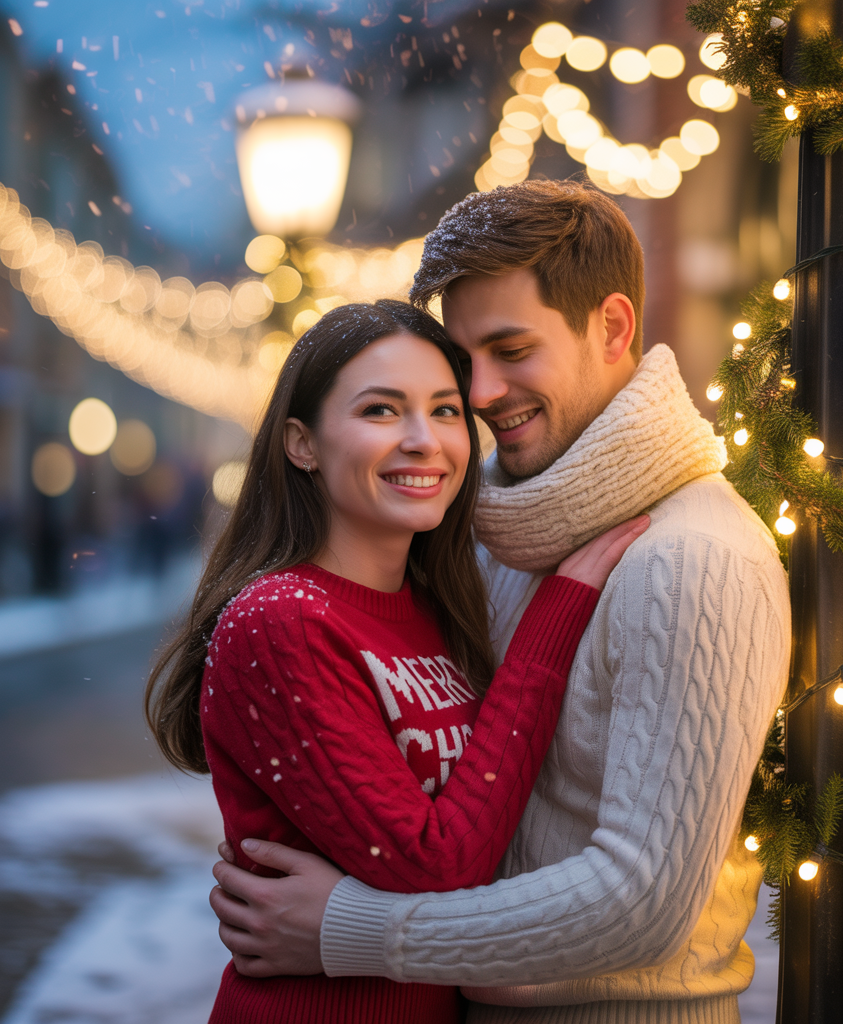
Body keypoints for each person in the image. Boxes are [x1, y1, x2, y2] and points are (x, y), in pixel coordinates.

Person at [209, 181, 792, 1024]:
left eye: (512, 350)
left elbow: (643, 900)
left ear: (615, 327)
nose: (480, 393)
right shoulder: (489, 533)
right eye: (463, 360)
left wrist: (351, 930)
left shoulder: (692, 558)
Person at [145, 298, 647, 1024]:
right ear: (301, 443)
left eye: (446, 411)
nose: (425, 440)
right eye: (382, 411)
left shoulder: (435, 606)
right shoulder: (280, 623)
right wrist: (556, 617)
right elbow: (437, 865)